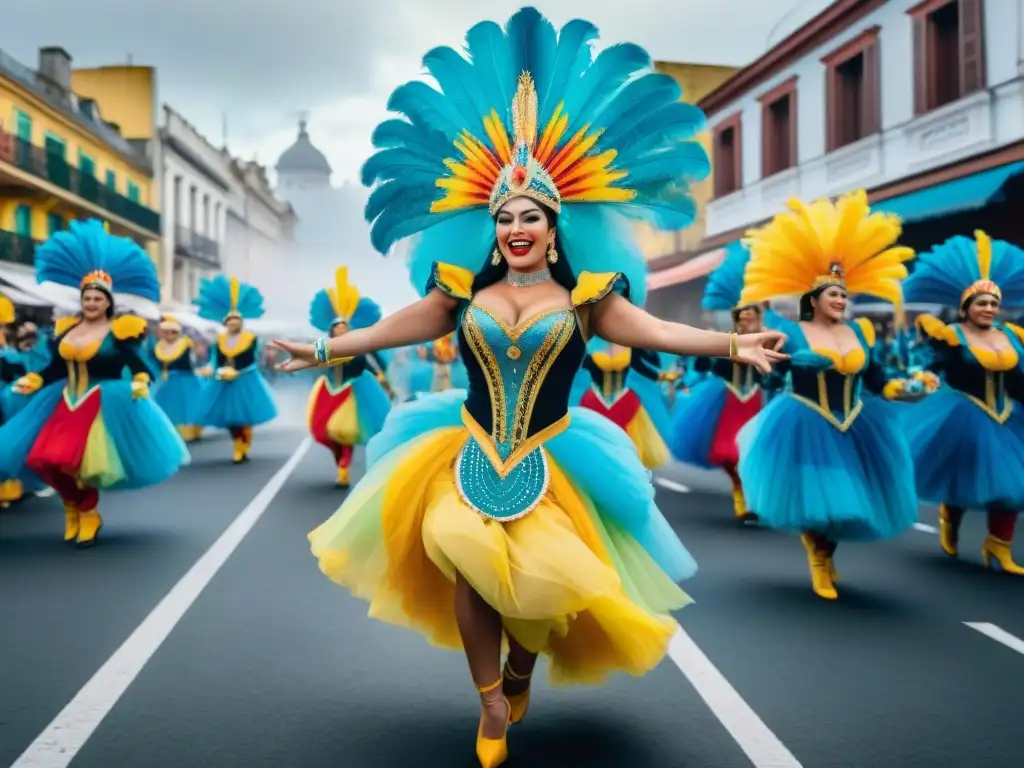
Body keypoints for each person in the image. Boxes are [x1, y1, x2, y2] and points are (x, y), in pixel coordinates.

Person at [273, 9, 785, 767]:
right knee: (465, 563)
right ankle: (488, 701)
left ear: (554, 228)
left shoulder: (588, 298)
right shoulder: (459, 293)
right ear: (492, 227)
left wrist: (734, 341)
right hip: (467, 447)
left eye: (531, 216)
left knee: (542, 592)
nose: (516, 225)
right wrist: (322, 346)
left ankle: (520, 669)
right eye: (505, 215)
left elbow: (658, 333)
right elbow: (392, 330)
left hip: (554, 454)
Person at [736, 190, 932, 599]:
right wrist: (794, 364)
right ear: (814, 300)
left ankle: (828, 554)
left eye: (844, 294)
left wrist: (900, 387)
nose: (841, 300)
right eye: (833, 294)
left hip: (857, 422)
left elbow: (876, 373)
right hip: (806, 418)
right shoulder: (791, 332)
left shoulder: (860, 331)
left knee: (847, 501)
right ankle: (818, 560)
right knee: (819, 497)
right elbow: (771, 379)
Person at [0, 219, 189, 546]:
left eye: (97, 300)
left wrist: (141, 383)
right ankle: (72, 508)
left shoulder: (121, 330)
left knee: (82, 466)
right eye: (87, 299)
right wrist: (33, 379)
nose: (91, 304)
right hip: (64, 400)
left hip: (102, 401)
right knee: (49, 462)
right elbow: (56, 368)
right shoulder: (66, 329)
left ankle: (88, 513)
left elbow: (137, 365)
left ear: (108, 303)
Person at [902, 231, 1024, 573]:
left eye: (993, 304)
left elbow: (1020, 377)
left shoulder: (1013, 336)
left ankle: (998, 547)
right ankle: (950, 519)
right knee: (961, 477)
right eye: (981, 303)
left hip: (1008, 416)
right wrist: (922, 377)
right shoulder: (951, 335)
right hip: (963, 415)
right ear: (966, 308)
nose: (988, 309)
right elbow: (929, 363)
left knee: (1015, 487)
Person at [668, 242, 780, 522]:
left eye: (751, 315)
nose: (747, 320)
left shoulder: (770, 337)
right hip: (728, 399)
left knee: (755, 453)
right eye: (743, 317)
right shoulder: (726, 340)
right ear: (736, 319)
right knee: (730, 454)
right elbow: (706, 365)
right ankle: (741, 495)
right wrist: (706, 350)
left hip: (758, 400)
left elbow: (782, 366)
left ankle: (752, 495)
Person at [306, 267, 392, 487]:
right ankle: (339, 462)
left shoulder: (360, 343)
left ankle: (343, 468)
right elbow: (312, 362)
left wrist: (382, 378)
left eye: (344, 326)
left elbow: (375, 362)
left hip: (354, 390)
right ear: (331, 330)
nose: (341, 330)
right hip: (329, 389)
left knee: (345, 430)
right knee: (324, 432)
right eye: (337, 327)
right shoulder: (323, 347)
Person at [194, 275, 278, 463]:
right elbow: (215, 360)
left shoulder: (251, 338)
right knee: (231, 420)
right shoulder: (219, 341)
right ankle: (237, 442)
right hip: (223, 381)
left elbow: (254, 360)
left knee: (244, 418)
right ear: (225, 324)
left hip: (246, 380)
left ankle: (242, 446)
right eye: (229, 322)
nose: (233, 325)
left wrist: (240, 372)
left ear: (241, 323)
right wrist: (212, 370)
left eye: (236, 322)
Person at [573, 339, 674, 468]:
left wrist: (664, 377)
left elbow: (642, 368)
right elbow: (576, 365)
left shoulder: (630, 348)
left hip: (622, 398)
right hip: (596, 399)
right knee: (593, 439)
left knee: (628, 441)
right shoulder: (590, 344)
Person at [151, 315, 205, 443]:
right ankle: (172, 432)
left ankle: (192, 431)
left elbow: (195, 359)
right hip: (168, 380)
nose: (170, 335)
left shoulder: (185, 344)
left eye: (173, 332)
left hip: (187, 379)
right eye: (166, 332)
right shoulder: (159, 347)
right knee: (169, 406)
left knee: (189, 406)